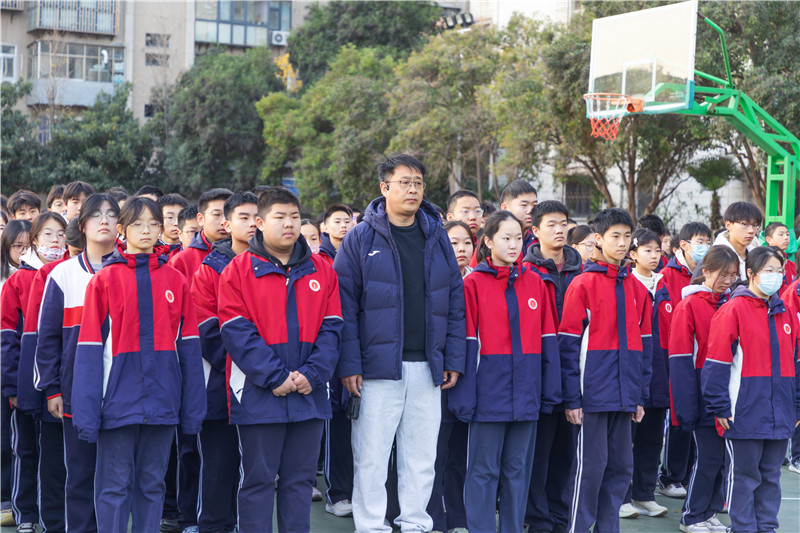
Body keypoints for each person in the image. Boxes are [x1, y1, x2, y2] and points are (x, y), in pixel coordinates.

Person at [333, 154, 465, 533]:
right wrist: (349, 364)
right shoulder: (360, 237)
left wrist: (452, 358)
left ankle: (415, 525)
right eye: (404, 182)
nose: (412, 190)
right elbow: (343, 306)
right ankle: (372, 526)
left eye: (418, 183)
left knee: (421, 458)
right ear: (384, 187)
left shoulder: (436, 236)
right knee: (372, 457)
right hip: (376, 370)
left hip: (427, 366)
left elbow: (454, 301)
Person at [72, 196, 206, 533]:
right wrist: (87, 413)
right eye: (137, 224)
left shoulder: (176, 280)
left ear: (161, 229)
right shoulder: (104, 280)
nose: (146, 231)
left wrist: (192, 410)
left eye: (153, 224)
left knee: (151, 485)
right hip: (116, 403)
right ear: (122, 229)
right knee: (113, 487)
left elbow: (190, 351)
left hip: (163, 402)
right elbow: (88, 351)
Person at [217, 187, 343, 533]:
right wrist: (275, 377)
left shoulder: (322, 269)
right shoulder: (238, 270)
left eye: (294, 217)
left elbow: (333, 327)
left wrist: (312, 374)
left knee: (299, 481)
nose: (289, 224)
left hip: (309, 394)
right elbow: (235, 330)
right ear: (259, 223)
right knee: (257, 481)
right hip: (258, 394)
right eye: (280, 217)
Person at [449, 210, 560, 533]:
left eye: (518, 238)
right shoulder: (472, 284)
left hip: (527, 397)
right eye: (505, 238)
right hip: (487, 397)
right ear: (487, 241)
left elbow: (548, 341)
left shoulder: (536, 283)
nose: (514, 245)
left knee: (518, 473)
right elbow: (466, 345)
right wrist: (465, 398)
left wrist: (549, 392)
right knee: (483, 472)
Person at [558, 207, 652, 533]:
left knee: (620, 470)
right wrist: (573, 399)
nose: (623, 243)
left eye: (627, 236)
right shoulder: (582, 284)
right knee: (590, 470)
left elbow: (645, 350)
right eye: (615, 236)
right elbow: (568, 347)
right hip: (591, 397)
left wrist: (639, 397)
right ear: (598, 239)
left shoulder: (637, 289)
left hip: (625, 398)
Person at [34, 194, 120, 533]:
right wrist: (52, 388)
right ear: (81, 225)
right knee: (80, 476)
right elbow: (47, 338)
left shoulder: (131, 272)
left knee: (116, 479)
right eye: (96, 215)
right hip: (75, 394)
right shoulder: (63, 275)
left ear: (121, 225)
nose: (105, 220)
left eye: (112, 214)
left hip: (123, 394)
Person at [703, 246, 799, 533]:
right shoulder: (733, 309)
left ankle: (766, 528)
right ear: (751, 274)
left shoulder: (786, 313)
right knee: (744, 477)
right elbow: (716, 363)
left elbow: (796, 364)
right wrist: (720, 406)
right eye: (769, 270)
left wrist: (796, 406)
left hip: (780, 412)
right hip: (743, 412)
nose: (775, 276)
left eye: (779, 271)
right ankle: (743, 528)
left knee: (771, 476)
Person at [190, 192, 257, 533]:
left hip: (264, 385)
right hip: (219, 386)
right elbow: (205, 329)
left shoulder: (275, 266)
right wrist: (249, 363)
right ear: (227, 224)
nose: (252, 224)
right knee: (218, 468)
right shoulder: (210, 268)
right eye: (243, 217)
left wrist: (263, 368)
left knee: (256, 473)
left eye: (257, 217)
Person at [168, 188, 231, 532]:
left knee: (227, 455)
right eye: (216, 214)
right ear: (200, 218)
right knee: (191, 449)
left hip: (237, 374)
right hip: (196, 369)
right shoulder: (184, 260)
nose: (223, 221)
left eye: (227, 214)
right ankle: (189, 516)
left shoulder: (249, 256)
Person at [1, 212, 68, 533]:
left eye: (61, 234)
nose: (55, 241)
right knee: (25, 449)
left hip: (59, 382)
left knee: (55, 454)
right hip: (25, 383)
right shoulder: (18, 280)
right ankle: (25, 511)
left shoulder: (71, 272)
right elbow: (7, 338)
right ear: (35, 240)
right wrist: (11, 385)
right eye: (48, 234)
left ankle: (53, 516)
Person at [669, 245, 740, 533]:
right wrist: (685, 407)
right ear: (706, 271)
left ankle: (709, 512)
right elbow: (679, 359)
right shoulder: (688, 305)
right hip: (700, 395)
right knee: (708, 458)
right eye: (723, 274)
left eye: (733, 275)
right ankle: (692, 516)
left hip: (726, 394)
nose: (727, 281)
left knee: (722, 460)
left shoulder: (730, 303)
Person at [522, 201, 582, 533]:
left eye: (563, 223)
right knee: (538, 453)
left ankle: (560, 518)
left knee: (565, 453)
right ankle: (538, 519)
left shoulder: (582, 271)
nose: (559, 230)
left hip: (573, 374)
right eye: (551, 224)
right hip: (539, 373)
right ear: (535, 230)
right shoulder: (526, 272)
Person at [619, 229, 672, 520]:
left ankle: (644, 495)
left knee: (652, 442)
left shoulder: (665, 286)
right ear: (633, 254)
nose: (653, 256)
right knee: (625, 442)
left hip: (660, 375)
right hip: (632, 376)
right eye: (647, 250)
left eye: (657, 251)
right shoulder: (626, 284)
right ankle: (621, 497)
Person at [658, 221, 713, 498]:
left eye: (707, 241)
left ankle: (691, 475)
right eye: (699, 241)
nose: (704, 246)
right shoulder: (667, 275)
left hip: (702, 354)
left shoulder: (707, 272)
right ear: (683, 244)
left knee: (698, 420)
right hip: (676, 352)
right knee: (678, 417)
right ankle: (670, 476)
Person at [427, 220, 474, 533]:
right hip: (438, 376)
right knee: (435, 453)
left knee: (460, 453)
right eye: (454, 242)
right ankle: (432, 516)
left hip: (471, 378)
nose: (461, 249)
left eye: (467, 242)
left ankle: (458, 516)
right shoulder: (432, 279)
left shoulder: (478, 279)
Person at [713, 202, 762, 278]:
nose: (751, 231)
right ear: (728, 225)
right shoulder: (715, 257)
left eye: (754, 225)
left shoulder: (759, 255)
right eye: (744, 224)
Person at [499, 180, 538, 257]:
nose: (530, 211)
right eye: (524, 205)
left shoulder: (539, 242)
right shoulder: (494, 244)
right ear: (505, 208)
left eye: (534, 205)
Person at [764, 221, 797, 289]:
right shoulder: (762, 262)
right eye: (781, 235)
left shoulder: (792, 265)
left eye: (787, 234)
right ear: (768, 239)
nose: (786, 238)